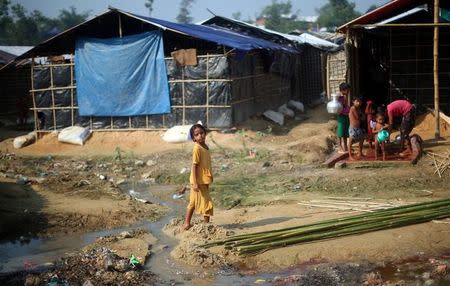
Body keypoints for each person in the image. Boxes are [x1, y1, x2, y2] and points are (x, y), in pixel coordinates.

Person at [183, 123, 214, 230]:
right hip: (198, 181)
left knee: (192, 201)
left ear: (205, 133)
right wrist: (195, 183)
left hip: (203, 179)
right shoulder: (197, 148)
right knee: (207, 201)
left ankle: (186, 223)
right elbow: (194, 166)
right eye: (196, 134)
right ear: (193, 138)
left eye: (202, 133)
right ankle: (206, 225)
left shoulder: (205, 147)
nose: (200, 135)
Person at [336, 83, 351, 153]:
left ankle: (345, 147)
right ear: (342, 90)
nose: (348, 91)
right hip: (341, 116)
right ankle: (339, 147)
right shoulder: (339, 98)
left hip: (346, 116)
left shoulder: (346, 97)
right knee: (340, 132)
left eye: (348, 90)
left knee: (345, 132)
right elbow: (341, 108)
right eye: (346, 90)